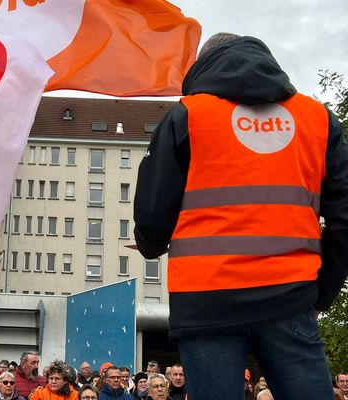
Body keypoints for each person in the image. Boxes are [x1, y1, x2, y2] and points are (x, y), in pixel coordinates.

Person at [133, 32, 347, 400]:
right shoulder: (317, 119)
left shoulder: (187, 116)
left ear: (203, 66)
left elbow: (152, 213)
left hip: (206, 300)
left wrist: (150, 245)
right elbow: (344, 218)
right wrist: (320, 294)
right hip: (291, 296)